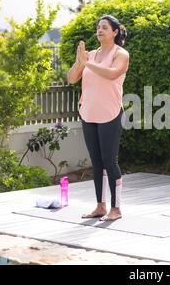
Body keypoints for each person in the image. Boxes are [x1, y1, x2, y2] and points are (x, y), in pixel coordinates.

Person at [67, 15, 129, 221]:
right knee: (96, 161)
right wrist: (79, 62)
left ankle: (116, 208)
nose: (100, 30)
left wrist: (88, 64)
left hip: (110, 113)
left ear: (114, 32)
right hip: (89, 113)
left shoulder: (121, 54)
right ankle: (100, 206)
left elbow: (112, 74)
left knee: (109, 160)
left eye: (105, 27)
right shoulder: (90, 55)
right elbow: (71, 78)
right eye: (98, 27)